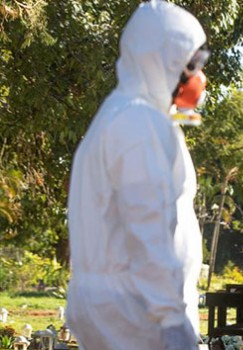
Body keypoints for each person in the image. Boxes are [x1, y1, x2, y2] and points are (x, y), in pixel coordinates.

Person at [65, 2, 209, 349]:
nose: (198, 79)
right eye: (191, 66)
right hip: (138, 311)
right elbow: (147, 226)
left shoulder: (125, 113)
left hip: (124, 306)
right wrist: (171, 319)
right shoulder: (138, 122)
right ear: (162, 61)